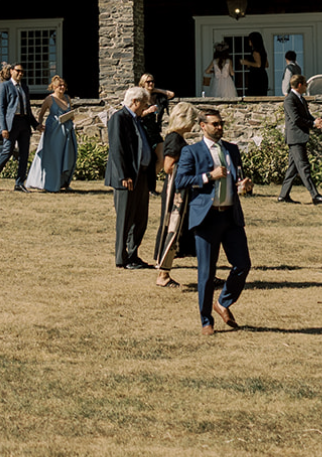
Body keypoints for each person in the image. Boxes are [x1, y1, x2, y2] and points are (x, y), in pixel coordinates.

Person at [174, 107, 254, 334]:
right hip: (206, 218)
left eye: (221, 124)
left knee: (242, 265)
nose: (220, 127)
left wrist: (244, 185)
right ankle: (206, 320)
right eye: (215, 124)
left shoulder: (232, 149)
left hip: (231, 216)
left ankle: (223, 302)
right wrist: (209, 176)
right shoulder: (192, 152)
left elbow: (237, 177)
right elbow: (181, 180)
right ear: (203, 126)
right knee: (206, 273)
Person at [104, 85, 155, 268]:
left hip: (141, 175)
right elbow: (117, 149)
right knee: (125, 219)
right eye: (144, 103)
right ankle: (121, 258)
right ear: (135, 101)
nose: (146, 107)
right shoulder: (119, 118)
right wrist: (124, 175)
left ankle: (133, 255)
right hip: (127, 177)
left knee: (141, 218)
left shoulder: (138, 120)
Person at [153, 101, 200, 288]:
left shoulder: (177, 138)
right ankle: (163, 274)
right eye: (193, 120)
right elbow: (168, 167)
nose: (194, 124)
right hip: (176, 192)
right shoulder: (174, 139)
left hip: (182, 190)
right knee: (172, 228)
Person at [277, 75, 322, 204]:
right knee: (304, 167)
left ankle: (283, 196)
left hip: (299, 137)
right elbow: (296, 119)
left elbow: (306, 115)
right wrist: (312, 124)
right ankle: (315, 195)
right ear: (300, 85)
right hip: (295, 138)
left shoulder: (300, 99)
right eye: (306, 84)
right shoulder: (289, 99)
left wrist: (315, 121)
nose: (307, 86)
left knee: (293, 168)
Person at [0, 64, 36, 192]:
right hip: (11, 123)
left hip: (24, 122)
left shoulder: (25, 87)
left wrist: (36, 124)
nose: (20, 73)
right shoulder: (4, 86)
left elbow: (28, 109)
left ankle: (19, 183)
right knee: (7, 151)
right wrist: (3, 128)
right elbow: (1, 109)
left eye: (22, 72)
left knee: (24, 154)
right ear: (12, 71)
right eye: (18, 71)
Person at [24, 75, 78, 191]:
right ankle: (50, 184)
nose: (62, 87)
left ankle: (64, 182)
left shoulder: (67, 98)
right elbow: (41, 113)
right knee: (54, 157)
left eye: (64, 85)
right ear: (54, 87)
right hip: (53, 132)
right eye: (60, 85)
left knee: (69, 156)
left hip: (67, 131)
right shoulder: (49, 99)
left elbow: (71, 113)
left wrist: (71, 117)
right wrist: (39, 125)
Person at [241, 32, 269, 96]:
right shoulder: (263, 51)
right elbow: (266, 65)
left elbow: (258, 64)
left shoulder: (255, 52)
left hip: (256, 77)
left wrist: (246, 62)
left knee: (254, 94)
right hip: (263, 75)